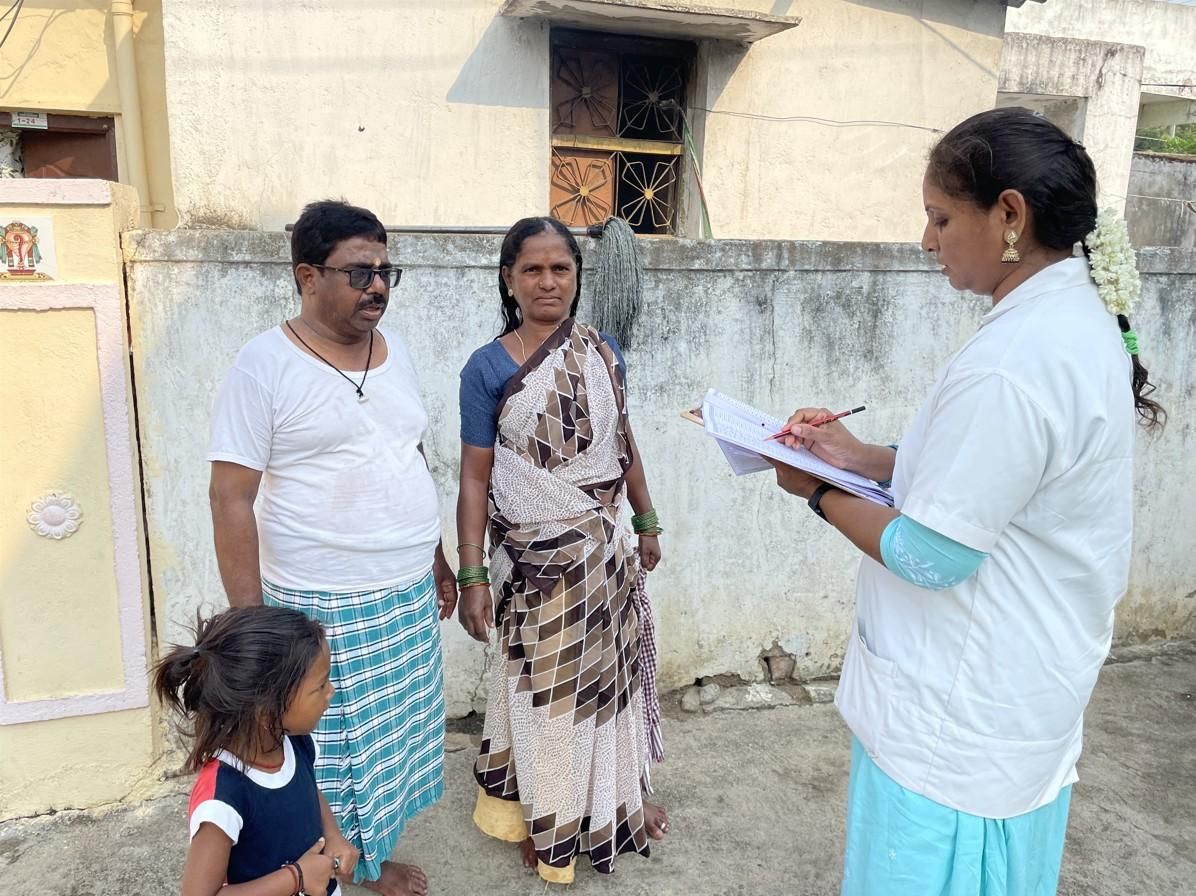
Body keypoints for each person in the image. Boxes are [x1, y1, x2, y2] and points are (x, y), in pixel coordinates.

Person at [768, 108, 1164, 895]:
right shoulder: (1070, 321)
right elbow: (984, 484)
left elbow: (930, 552)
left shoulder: (1015, 362)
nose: (927, 241)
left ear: (1009, 214)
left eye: (941, 217)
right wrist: (856, 457)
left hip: (959, 725)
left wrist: (811, 488)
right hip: (1021, 698)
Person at [207, 200, 456, 896]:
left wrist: (435, 557)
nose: (376, 286)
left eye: (385, 270)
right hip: (322, 599)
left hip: (404, 590)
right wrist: (254, 624)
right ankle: (329, 872)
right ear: (307, 275)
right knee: (332, 756)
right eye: (358, 272)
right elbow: (230, 497)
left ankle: (366, 863)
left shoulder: (396, 349)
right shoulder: (264, 365)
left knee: (393, 744)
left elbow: (406, 454)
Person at [455, 216, 669, 884]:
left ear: (578, 277)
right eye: (533, 270)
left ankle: (615, 801)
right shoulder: (487, 367)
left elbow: (623, 445)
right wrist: (470, 574)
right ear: (508, 279)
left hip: (603, 557)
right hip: (536, 565)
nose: (548, 283)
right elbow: (473, 476)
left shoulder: (602, 352)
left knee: (610, 688)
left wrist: (648, 519)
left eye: (561, 269)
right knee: (548, 697)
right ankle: (543, 817)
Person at [153, 605, 353, 896]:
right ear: (267, 711)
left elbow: (309, 790)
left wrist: (334, 836)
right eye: (320, 686)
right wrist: (296, 877)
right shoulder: (224, 796)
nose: (330, 691)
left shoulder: (292, 741)